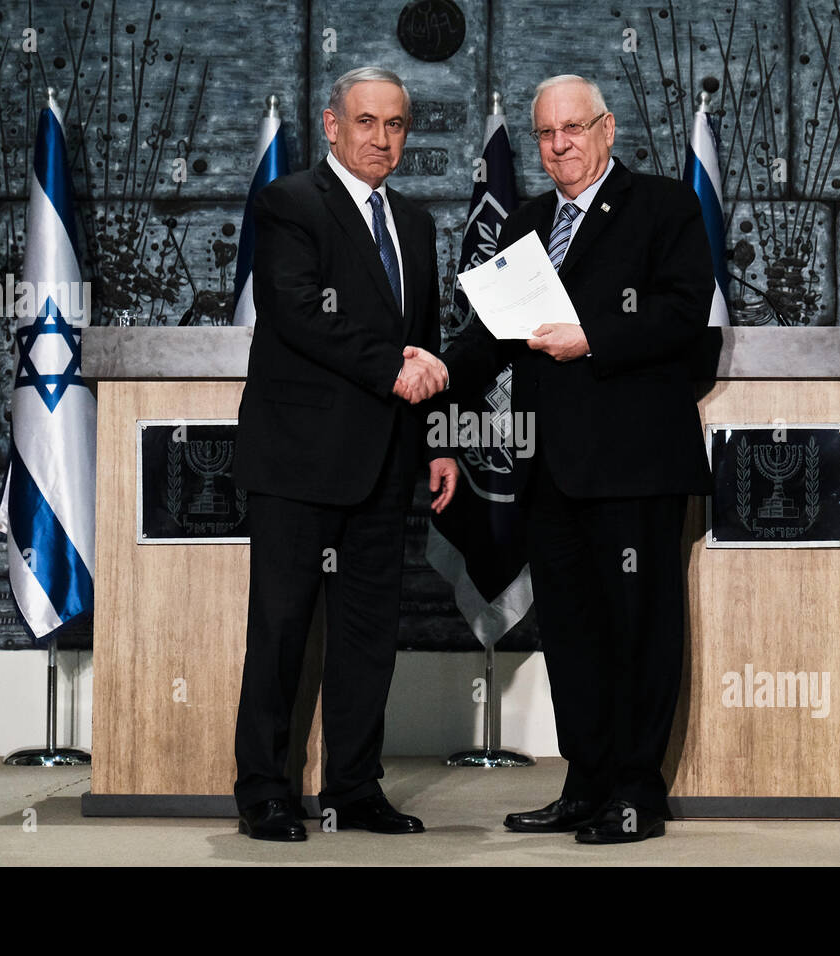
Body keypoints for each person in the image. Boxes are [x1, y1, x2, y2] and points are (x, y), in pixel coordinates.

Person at [438, 74, 714, 843]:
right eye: (547, 133)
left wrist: (592, 335)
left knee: (638, 631)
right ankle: (586, 784)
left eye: (574, 128)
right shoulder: (526, 221)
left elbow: (686, 313)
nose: (560, 145)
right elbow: (490, 335)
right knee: (571, 639)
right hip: (549, 471)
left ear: (607, 128)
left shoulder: (664, 205)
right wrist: (431, 377)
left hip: (634, 470)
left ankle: (636, 794)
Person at [232, 67, 458, 842]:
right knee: (282, 629)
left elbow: (424, 344)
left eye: (395, 125)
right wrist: (392, 365)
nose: (381, 139)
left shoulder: (419, 226)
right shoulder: (289, 204)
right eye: (366, 122)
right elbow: (297, 313)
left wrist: (435, 443)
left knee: (368, 637)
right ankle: (264, 790)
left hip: (384, 466)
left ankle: (354, 789)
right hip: (298, 464)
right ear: (332, 125)